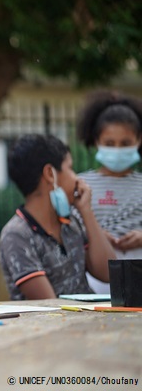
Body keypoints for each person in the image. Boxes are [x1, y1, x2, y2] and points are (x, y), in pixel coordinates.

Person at [0, 134, 115, 300]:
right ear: (49, 173)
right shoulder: (16, 235)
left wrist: (86, 212)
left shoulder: (71, 222)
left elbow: (109, 273)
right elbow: (49, 305)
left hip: (90, 321)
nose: (77, 178)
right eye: (70, 168)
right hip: (54, 324)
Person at [76, 90, 142, 293]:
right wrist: (94, 234)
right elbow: (70, 227)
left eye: (125, 143)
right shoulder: (81, 184)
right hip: (95, 278)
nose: (118, 149)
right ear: (96, 141)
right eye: (110, 144)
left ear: (139, 140)